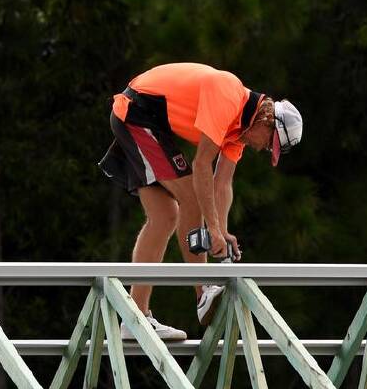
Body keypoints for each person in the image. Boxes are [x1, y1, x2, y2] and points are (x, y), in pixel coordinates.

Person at [99, 62, 303, 340]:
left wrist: (222, 230)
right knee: (191, 200)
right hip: (136, 112)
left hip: (145, 120)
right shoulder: (228, 95)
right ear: (267, 121)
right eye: (269, 143)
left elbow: (222, 184)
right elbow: (203, 165)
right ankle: (203, 290)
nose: (262, 149)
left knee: (164, 217)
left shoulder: (239, 132)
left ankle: (135, 319)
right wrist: (213, 230)